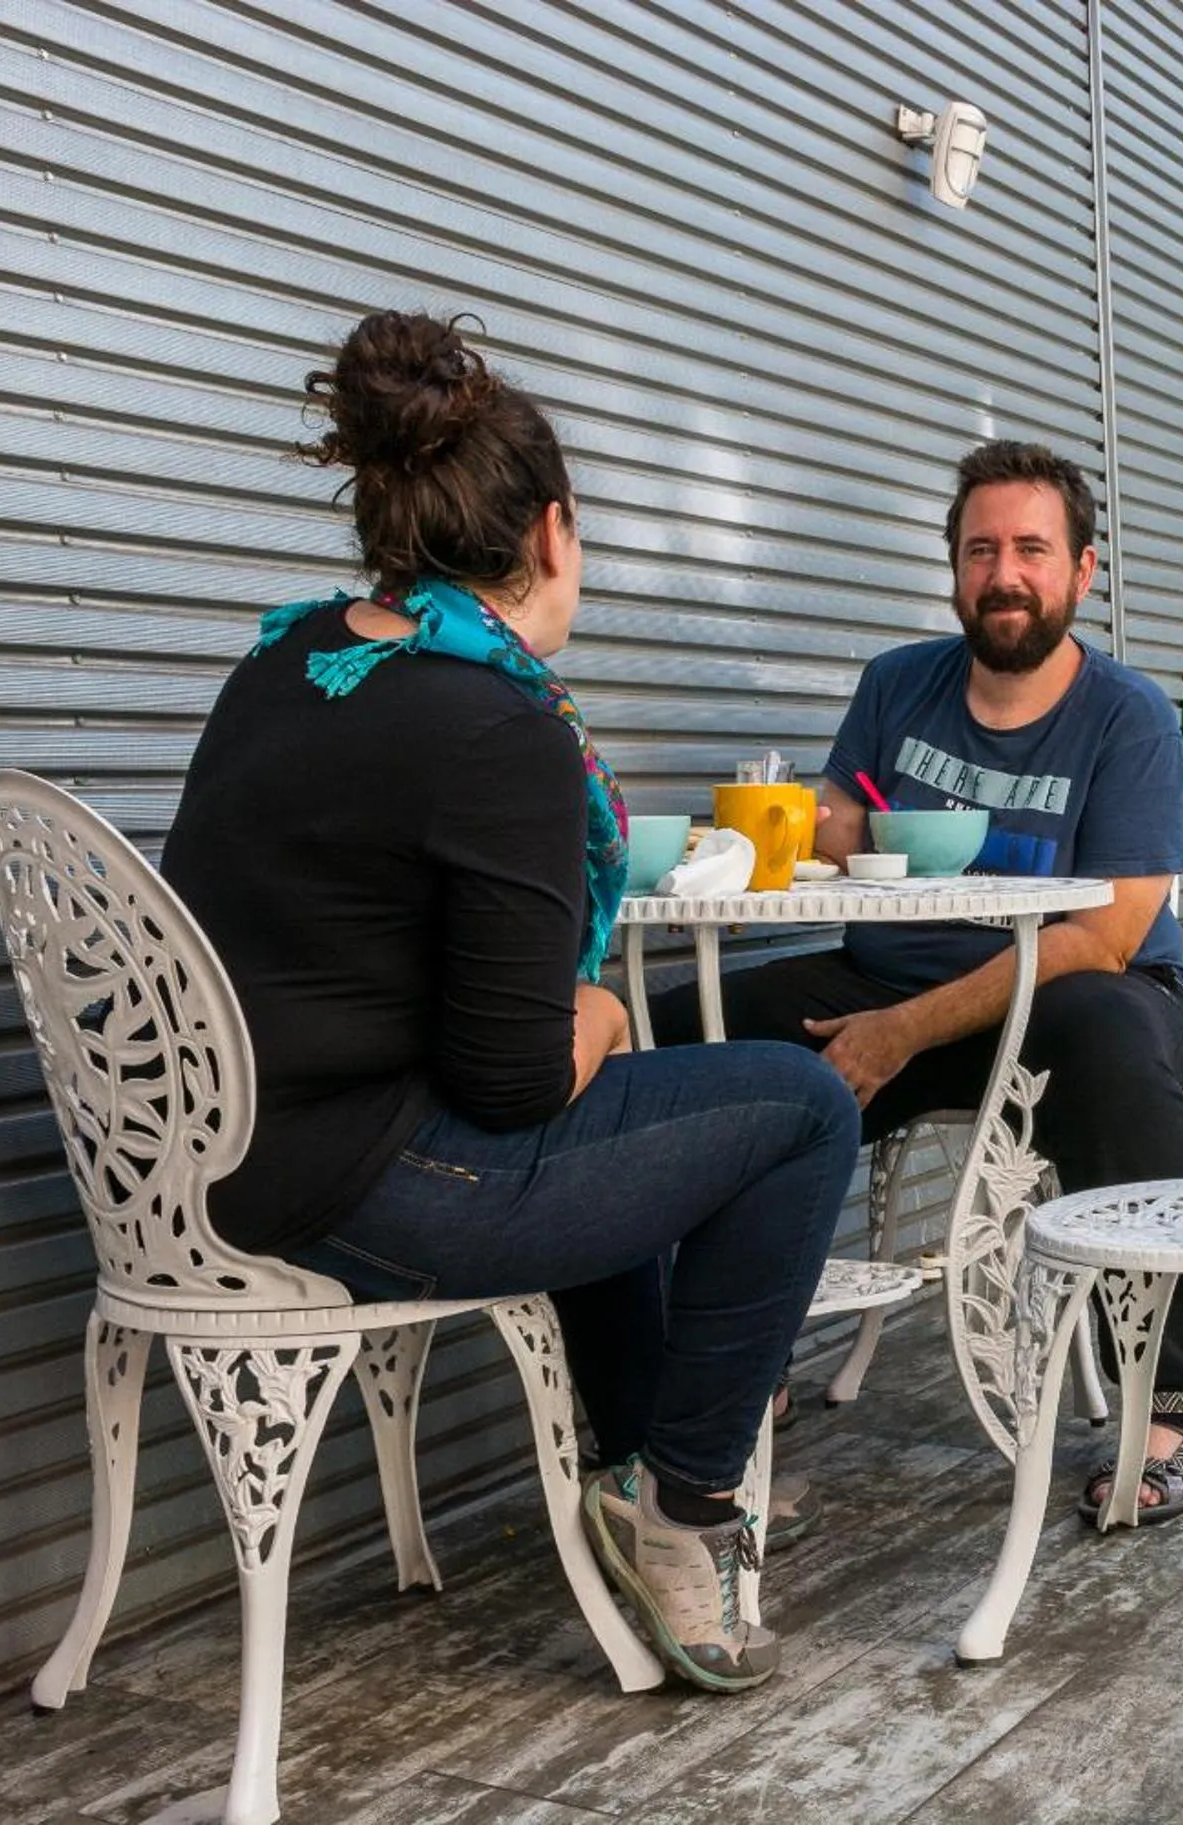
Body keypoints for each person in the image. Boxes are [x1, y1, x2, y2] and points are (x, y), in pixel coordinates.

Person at [162, 309, 855, 1694]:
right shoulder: (499, 725)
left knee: (640, 1127)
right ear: (553, 531)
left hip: (208, 1167)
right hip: (356, 1189)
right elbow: (518, 1085)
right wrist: (598, 1017)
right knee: (800, 1105)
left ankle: (626, 1457)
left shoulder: (285, 666)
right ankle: (682, 1505)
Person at [651, 440, 1183, 1525]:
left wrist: (899, 1032)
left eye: (1029, 549)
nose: (1002, 573)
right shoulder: (896, 683)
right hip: (886, 982)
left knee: (1106, 1032)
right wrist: (824, 827)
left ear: (1081, 570)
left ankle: (1174, 1399)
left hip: (1070, 1003)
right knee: (685, 1031)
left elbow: (1101, 938)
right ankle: (718, 1375)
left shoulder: (1129, 717)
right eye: (979, 550)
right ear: (952, 567)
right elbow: (836, 824)